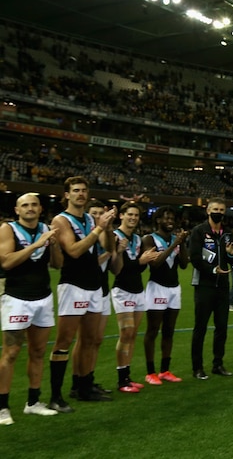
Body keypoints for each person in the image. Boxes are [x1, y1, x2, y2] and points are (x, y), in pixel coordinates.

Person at [48, 176, 116, 411]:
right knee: (64, 341)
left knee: (89, 339)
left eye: (84, 190)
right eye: (76, 190)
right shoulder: (61, 220)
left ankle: (84, 386)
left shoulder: (89, 218)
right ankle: (56, 395)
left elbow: (108, 248)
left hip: (94, 284)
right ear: (66, 194)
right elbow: (74, 251)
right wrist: (99, 228)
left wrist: (105, 228)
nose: (80, 194)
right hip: (73, 285)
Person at [0, 193, 64, 425]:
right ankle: (2, 407)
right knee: (11, 353)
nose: (29, 208)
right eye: (24, 205)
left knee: (37, 352)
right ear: (17, 210)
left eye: (34, 204)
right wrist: (37, 245)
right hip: (17, 298)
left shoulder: (47, 229)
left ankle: (33, 402)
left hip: (43, 298)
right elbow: (6, 261)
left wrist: (54, 246)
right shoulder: (8, 229)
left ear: (40, 208)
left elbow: (57, 264)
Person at [68, 200, 115, 400]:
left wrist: (109, 228)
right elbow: (87, 260)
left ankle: (89, 379)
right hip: (84, 288)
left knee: (95, 340)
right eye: (93, 213)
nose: (97, 216)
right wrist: (107, 253)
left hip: (102, 289)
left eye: (100, 213)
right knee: (83, 340)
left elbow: (110, 249)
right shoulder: (86, 234)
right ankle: (77, 382)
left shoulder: (103, 233)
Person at [110, 201, 159, 393]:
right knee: (126, 333)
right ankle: (121, 379)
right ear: (121, 215)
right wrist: (140, 261)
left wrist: (143, 261)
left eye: (136, 215)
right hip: (122, 289)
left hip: (138, 290)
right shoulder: (115, 236)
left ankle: (128, 377)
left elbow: (139, 267)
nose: (133, 218)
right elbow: (118, 270)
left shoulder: (137, 239)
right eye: (129, 214)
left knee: (133, 335)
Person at [189, 197, 233, 379]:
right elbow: (194, 257)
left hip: (223, 286)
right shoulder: (199, 231)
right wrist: (211, 270)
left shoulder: (228, 233)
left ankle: (218, 364)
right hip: (204, 285)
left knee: (222, 327)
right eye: (215, 209)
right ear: (208, 211)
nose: (218, 212)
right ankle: (197, 368)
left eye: (222, 210)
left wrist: (232, 255)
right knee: (200, 327)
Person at [141, 206, 189, 385]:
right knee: (153, 330)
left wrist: (182, 242)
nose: (170, 221)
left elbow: (184, 264)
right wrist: (175, 244)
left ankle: (165, 370)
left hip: (174, 289)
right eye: (166, 218)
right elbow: (155, 264)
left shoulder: (174, 239)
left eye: (172, 218)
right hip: (157, 288)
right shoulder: (149, 239)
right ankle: (150, 371)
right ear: (158, 220)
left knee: (169, 331)